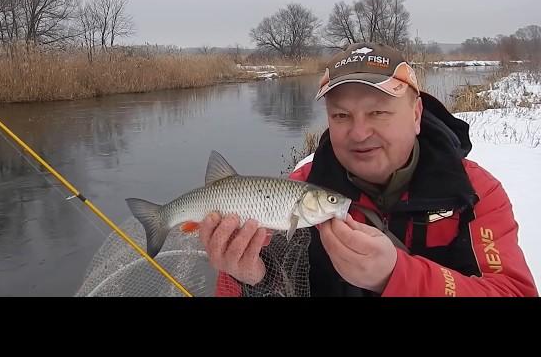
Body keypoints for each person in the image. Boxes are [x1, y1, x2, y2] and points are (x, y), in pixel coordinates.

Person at [198, 42, 538, 297]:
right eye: (341, 116)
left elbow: (514, 291)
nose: (359, 133)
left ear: (416, 114)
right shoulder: (299, 189)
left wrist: (395, 275)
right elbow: (241, 285)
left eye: (378, 113)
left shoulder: (475, 192)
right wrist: (254, 278)